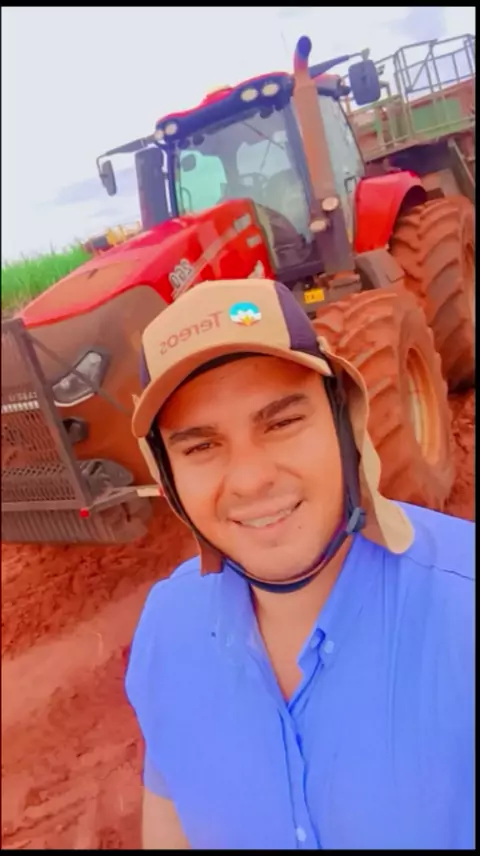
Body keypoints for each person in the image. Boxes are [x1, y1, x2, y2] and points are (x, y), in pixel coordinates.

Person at [126, 278, 474, 850]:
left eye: (282, 422)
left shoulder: (464, 609)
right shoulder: (167, 631)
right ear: (168, 478)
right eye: (201, 446)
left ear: (344, 422)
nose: (250, 479)